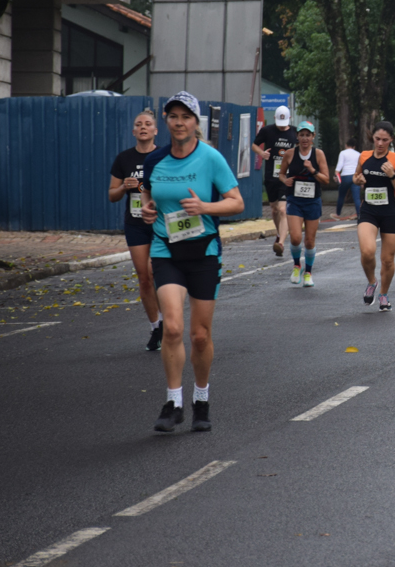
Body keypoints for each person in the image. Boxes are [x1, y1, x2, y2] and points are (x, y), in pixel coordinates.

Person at [139, 92, 244, 432]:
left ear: (196, 122)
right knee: (172, 327)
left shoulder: (211, 158)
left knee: (200, 335)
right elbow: (147, 192)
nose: (179, 122)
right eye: (173, 116)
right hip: (166, 249)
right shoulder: (155, 160)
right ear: (166, 121)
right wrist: (148, 209)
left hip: (203, 252)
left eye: (186, 117)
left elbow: (237, 202)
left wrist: (206, 208)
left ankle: (201, 398)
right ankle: (174, 403)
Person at [108, 110, 163, 351]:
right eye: (138, 124)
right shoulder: (124, 158)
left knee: (157, 273)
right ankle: (156, 327)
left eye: (148, 124)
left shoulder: (163, 156)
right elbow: (112, 195)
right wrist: (123, 188)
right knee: (144, 277)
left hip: (160, 222)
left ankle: (168, 321)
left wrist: (144, 187)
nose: (143, 127)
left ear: (155, 130)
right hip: (135, 223)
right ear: (133, 131)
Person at [354, 122, 395, 311]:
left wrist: (392, 175)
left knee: (387, 260)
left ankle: (383, 294)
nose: (380, 143)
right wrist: (358, 179)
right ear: (373, 138)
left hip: (390, 213)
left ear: (391, 140)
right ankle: (372, 281)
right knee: (367, 251)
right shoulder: (364, 156)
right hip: (369, 210)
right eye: (377, 139)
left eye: (385, 140)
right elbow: (356, 176)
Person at [277, 121, 330, 286]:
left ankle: (308, 272)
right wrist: (285, 180)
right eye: (302, 135)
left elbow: (326, 180)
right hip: (295, 200)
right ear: (297, 137)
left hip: (313, 201)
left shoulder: (318, 154)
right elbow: (281, 174)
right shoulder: (290, 154)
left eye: (308, 135)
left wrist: (312, 170)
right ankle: (296, 265)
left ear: (313, 137)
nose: (305, 138)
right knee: (295, 238)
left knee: (309, 241)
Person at [251, 106, 297, 255]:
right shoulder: (267, 131)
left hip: (287, 176)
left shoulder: (295, 132)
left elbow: (301, 150)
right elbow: (254, 145)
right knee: (274, 209)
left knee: (283, 209)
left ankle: (281, 243)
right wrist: (262, 153)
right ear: (275, 119)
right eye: (279, 123)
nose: (282, 127)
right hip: (271, 175)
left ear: (289, 119)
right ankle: (279, 233)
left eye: (284, 123)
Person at [333, 138, 362, 219]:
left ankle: (338, 214)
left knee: (341, 196)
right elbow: (360, 166)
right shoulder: (358, 154)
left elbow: (340, 165)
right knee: (356, 197)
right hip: (355, 176)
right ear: (354, 146)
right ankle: (359, 215)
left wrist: (336, 175)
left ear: (346, 145)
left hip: (345, 176)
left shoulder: (343, 153)